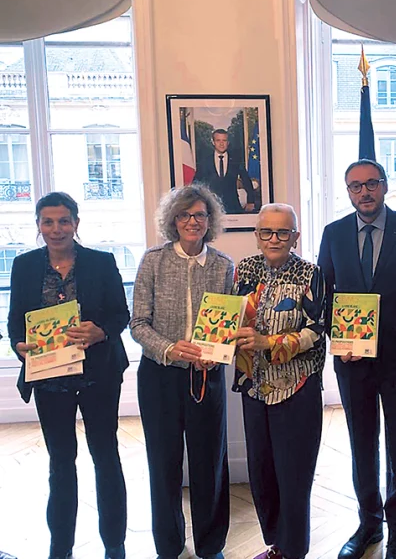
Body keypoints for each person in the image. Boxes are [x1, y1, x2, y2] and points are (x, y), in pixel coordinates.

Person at [8, 191, 129, 559]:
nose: (56, 229)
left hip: (98, 375)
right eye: (48, 221)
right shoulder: (24, 265)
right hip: (49, 379)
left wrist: (100, 331)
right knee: (60, 463)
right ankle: (61, 547)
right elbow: (15, 323)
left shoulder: (101, 261)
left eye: (64, 221)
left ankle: (114, 545)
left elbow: (120, 314)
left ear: (76, 223)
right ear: (39, 226)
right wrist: (19, 346)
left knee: (105, 456)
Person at [317, 159, 396, 559]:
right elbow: (323, 295)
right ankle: (369, 524)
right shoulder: (333, 234)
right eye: (355, 186)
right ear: (347, 192)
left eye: (371, 184)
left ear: (384, 186)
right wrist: (335, 334)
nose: (364, 192)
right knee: (362, 443)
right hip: (352, 362)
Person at [130, 185, 234, 559]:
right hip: (160, 376)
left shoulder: (224, 265)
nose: (193, 222)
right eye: (185, 215)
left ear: (210, 221)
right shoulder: (153, 260)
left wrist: (217, 355)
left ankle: (210, 546)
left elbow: (229, 326)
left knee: (210, 464)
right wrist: (170, 349)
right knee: (164, 463)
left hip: (206, 376)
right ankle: (169, 546)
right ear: (174, 221)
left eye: (200, 215)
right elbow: (138, 323)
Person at [231, 204, 326, 559]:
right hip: (254, 386)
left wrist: (269, 343)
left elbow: (317, 332)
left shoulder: (310, 274)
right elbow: (229, 314)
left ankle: (294, 550)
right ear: (257, 236)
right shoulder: (244, 270)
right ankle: (276, 545)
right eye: (267, 232)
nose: (275, 239)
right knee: (262, 473)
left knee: (294, 477)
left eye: (283, 232)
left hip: (295, 388)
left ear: (295, 237)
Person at [194, 129, 256, 214]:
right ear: (213, 142)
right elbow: (196, 184)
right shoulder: (205, 161)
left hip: (233, 206)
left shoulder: (236, 160)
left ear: (228, 142)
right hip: (211, 207)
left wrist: (250, 201)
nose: (221, 144)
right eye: (218, 140)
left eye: (224, 140)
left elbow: (246, 181)